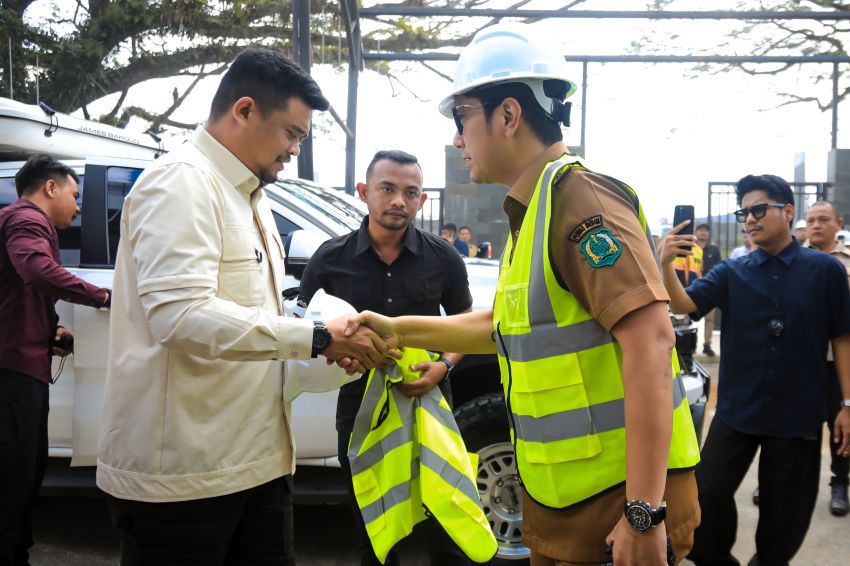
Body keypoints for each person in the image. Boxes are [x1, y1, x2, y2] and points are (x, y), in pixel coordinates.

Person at [346, 23, 702, 566]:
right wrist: (396, 329)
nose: (456, 139)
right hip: (565, 503)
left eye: (462, 118)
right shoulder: (535, 211)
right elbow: (504, 327)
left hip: (615, 510)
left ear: (508, 115)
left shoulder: (579, 200)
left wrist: (643, 512)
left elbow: (651, 343)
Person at [96, 49, 390, 566]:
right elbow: (181, 317)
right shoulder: (181, 182)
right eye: (292, 133)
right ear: (245, 110)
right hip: (186, 478)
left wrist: (321, 345)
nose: (295, 150)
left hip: (257, 462)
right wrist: (317, 338)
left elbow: (251, 318)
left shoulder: (250, 196)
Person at [659, 174, 850, 565]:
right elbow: (683, 305)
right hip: (736, 410)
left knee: (785, 517)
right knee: (705, 497)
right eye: (743, 212)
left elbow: (843, 338)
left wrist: (847, 403)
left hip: (798, 414)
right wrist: (665, 264)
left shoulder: (825, 271)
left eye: (759, 209)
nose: (750, 219)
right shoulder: (733, 272)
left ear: (788, 211)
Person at [300, 150, 473, 565]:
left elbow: (464, 320)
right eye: (387, 189)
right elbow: (309, 329)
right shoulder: (330, 258)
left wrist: (444, 365)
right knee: (373, 525)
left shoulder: (444, 257)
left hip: (427, 404)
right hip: (360, 407)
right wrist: (339, 353)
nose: (398, 200)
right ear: (364, 192)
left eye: (410, 192)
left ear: (421, 201)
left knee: (443, 521)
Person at [0, 154, 110, 565]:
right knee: (14, 482)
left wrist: (50, 333)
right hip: (12, 376)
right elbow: (36, 271)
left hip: (20, 365)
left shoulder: (18, 220)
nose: (78, 205)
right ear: (51, 187)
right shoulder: (28, 220)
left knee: (24, 478)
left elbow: (14, 294)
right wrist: (102, 296)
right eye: (75, 194)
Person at [804, 200, 850, 516]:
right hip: (799, 359)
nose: (816, 225)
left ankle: (840, 484)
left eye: (823, 219)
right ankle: (778, 482)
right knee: (790, 425)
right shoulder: (790, 260)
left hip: (839, 360)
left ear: (838, 223)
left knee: (841, 425)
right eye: (811, 220)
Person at [695, 224, 721, 357]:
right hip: (691, 288)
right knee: (687, 318)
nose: (703, 233)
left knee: (709, 319)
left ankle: (707, 345)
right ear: (696, 232)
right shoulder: (690, 249)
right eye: (700, 230)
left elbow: (718, 270)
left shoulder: (714, 250)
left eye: (706, 231)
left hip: (709, 289)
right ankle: (688, 344)